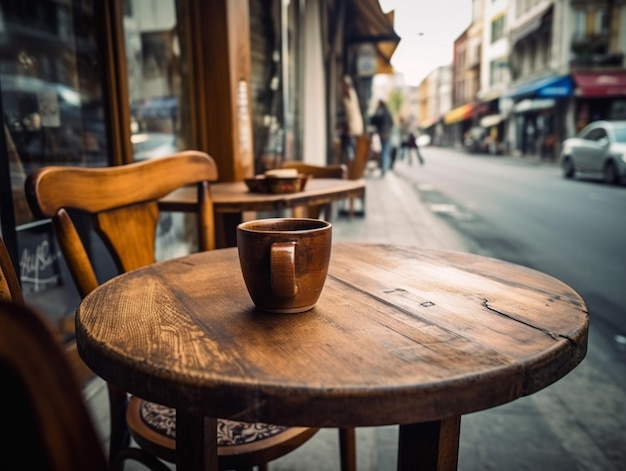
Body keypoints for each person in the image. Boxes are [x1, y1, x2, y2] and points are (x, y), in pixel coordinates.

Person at [340, 76, 364, 162]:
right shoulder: (351, 96)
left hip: (352, 128)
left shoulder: (349, 97)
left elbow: (350, 114)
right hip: (353, 127)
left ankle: (349, 170)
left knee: (349, 153)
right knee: (349, 152)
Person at [370, 99, 394, 176]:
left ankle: (383, 168)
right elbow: (392, 122)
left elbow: (373, 120)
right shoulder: (388, 112)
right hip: (387, 134)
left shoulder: (380, 111)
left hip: (382, 133)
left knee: (384, 151)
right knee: (385, 151)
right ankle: (384, 168)